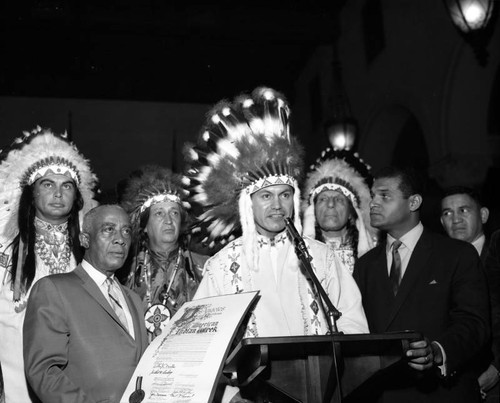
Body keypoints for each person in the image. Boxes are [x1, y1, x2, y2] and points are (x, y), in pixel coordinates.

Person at [354, 166, 490, 402]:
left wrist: (438, 351)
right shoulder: (365, 265)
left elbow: (474, 323)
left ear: (414, 202)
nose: (373, 203)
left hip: (442, 393)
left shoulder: (456, 255)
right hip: (384, 395)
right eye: (373, 196)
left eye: (385, 196)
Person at [0, 127, 98, 403]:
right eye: (48, 184)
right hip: (18, 371)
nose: (58, 193)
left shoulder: (88, 248)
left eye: (66, 186)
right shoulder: (6, 249)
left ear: (76, 196)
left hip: (77, 369)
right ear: (31, 194)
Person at [23, 205, 148, 403]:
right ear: (85, 239)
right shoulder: (53, 289)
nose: (120, 239)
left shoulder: (133, 299)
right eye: (108, 229)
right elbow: (44, 371)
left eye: (126, 231)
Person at [118, 165, 207, 339]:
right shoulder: (125, 272)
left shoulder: (205, 268)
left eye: (174, 213)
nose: (168, 220)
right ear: (143, 226)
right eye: (159, 213)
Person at [440, 186, 499, 402]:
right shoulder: (436, 264)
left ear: (483, 215)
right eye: (447, 213)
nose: (455, 219)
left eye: (464, 210)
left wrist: (496, 369)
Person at [302, 148, 378, 274]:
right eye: (323, 199)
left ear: (351, 212)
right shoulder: (295, 254)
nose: (331, 204)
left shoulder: (376, 252)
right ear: (313, 210)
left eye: (339, 199)